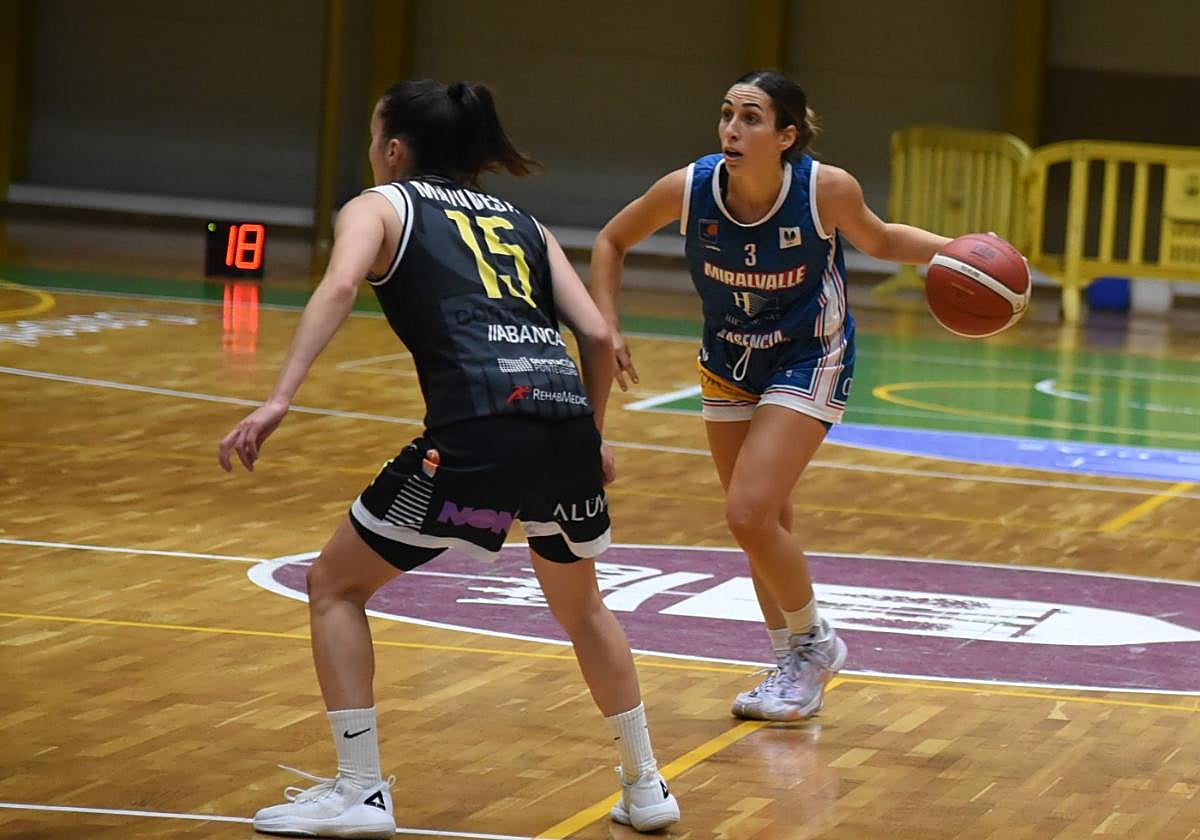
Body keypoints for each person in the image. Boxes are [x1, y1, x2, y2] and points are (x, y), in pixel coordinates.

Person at [218, 79, 680, 837]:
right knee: (582, 608)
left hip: (479, 428)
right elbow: (599, 335)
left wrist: (279, 398)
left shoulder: (379, 206)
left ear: (395, 148)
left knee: (334, 586)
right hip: (563, 421)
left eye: (375, 136)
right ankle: (646, 784)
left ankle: (360, 791)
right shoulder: (526, 223)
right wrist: (592, 435)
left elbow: (339, 286)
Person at [590, 70, 952, 722]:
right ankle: (792, 665)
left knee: (748, 514)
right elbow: (611, 240)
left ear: (786, 136)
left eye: (750, 118)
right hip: (729, 358)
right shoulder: (690, 188)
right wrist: (607, 325)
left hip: (810, 354)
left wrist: (957, 252)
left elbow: (882, 239)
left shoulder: (824, 189)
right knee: (764, 524)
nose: (732, 128)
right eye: (727, 114)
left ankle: (815, 645)